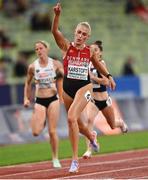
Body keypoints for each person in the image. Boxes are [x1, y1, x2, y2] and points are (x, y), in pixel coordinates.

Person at [51, 3, 116, 173]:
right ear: (75, 32)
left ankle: (74, 160)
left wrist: (108, 76)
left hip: (84, 87)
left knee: (71, 118)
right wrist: (57, 15)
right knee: (78, 125)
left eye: (84, 34)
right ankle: (92, 136)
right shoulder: (67, 47)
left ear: (87, 37)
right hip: (67, 90)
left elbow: (98, 66)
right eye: (79, 32)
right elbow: (54, 32)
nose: (80, 36)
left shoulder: (89, 52)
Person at [82, 40, 128, 159]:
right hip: (93, 99)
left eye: (95, 50)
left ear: (100, 53)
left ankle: (120, 123)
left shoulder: (102, 63)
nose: (93, 52)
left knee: (112, 125)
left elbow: (106, 81)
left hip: (104, 99)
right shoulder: (86, 65)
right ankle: (89, 149)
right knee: (88, 121)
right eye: (91, 50)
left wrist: (93, 78)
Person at [23, 40, 63, 168]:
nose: (39, 51)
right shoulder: (33, 67)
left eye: (41, 48)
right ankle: (42, 120)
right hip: (39, 100)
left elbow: (63, 76)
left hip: (53, 99)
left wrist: (62, 94)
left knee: (52, 131)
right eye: (36, 49)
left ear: (47, 49)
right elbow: (27, 83)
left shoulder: (55, 64)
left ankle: (55, 158)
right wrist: (26, 98)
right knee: (36, 132)